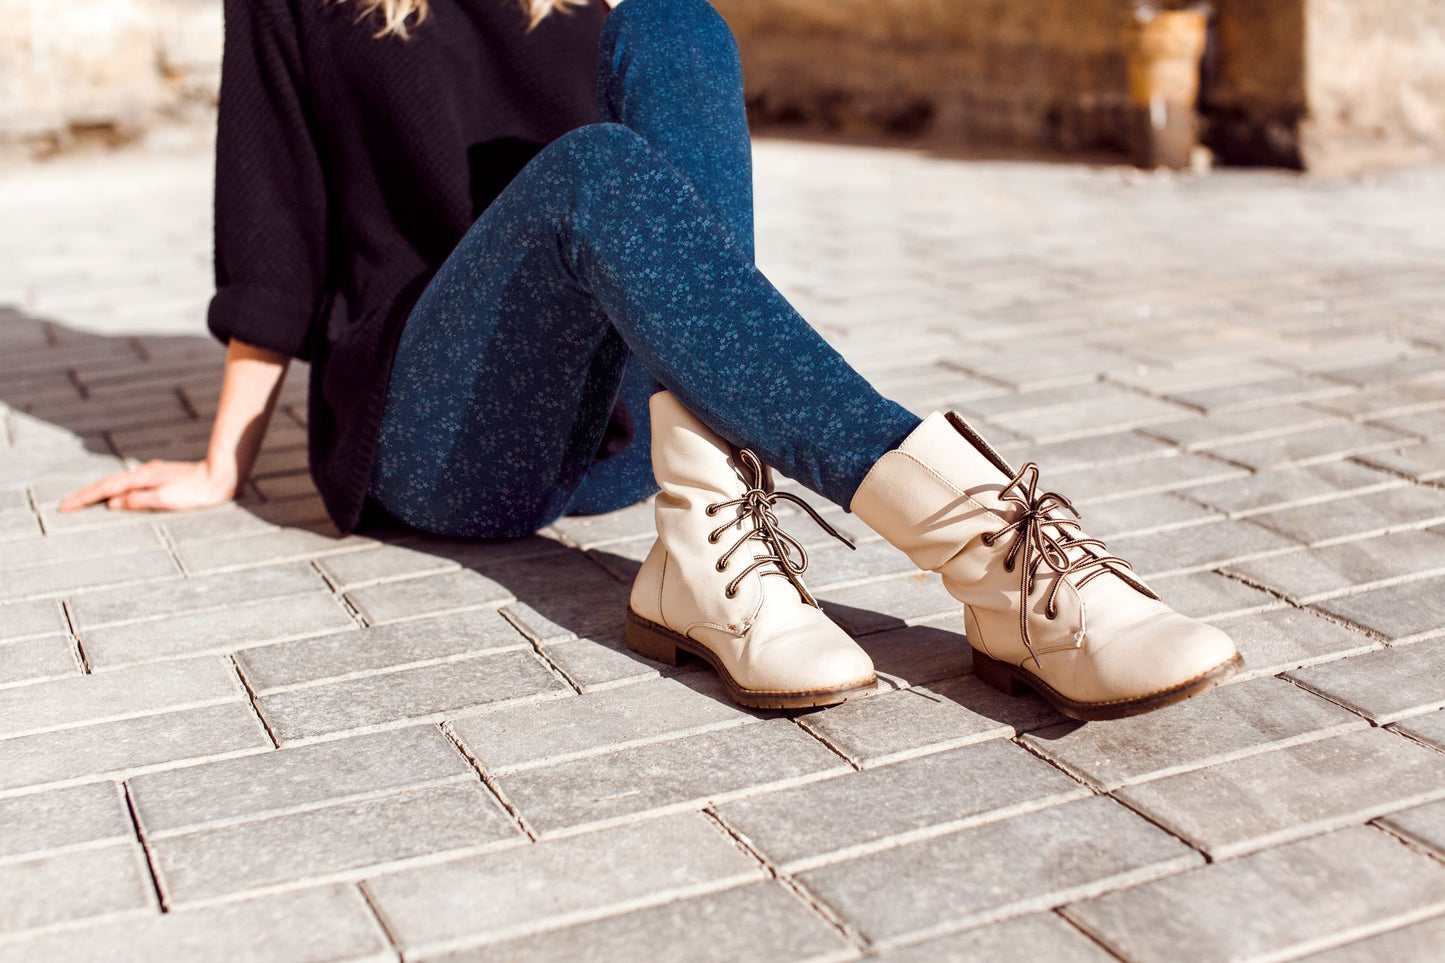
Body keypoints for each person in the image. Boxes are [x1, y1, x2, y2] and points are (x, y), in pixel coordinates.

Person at [61, 0, 1241, 720]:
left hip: (622, 450)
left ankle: (707, 532)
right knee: (594, 171)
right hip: (439, 435)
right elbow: (269, 220)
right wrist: (227, 460)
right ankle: (995, 551)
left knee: (678, 20)